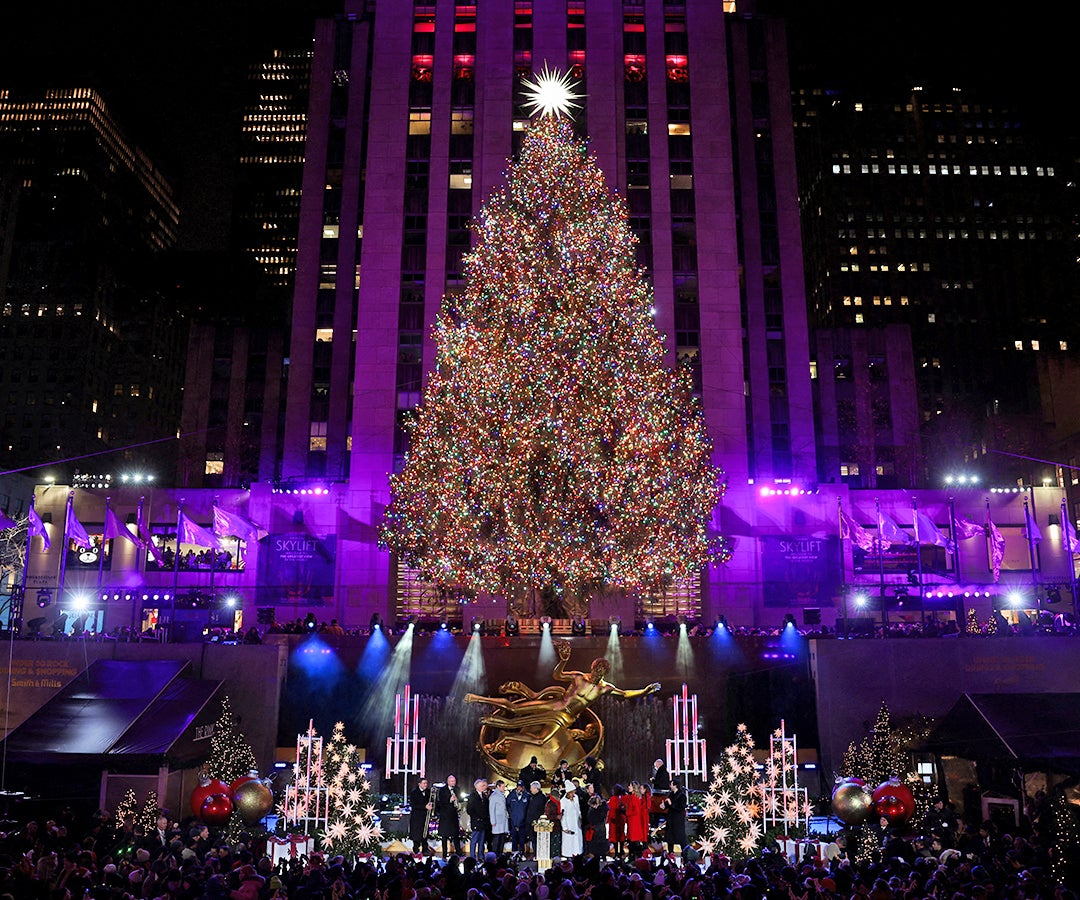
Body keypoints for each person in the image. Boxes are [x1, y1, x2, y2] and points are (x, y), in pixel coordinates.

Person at [465, 640, 661, 751]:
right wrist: (563, 660)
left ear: (605, 674)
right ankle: (477, 698)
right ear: (592, 668)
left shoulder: (605, 688)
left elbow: (625, 694)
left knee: (541, 740)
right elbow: (557, 675)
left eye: (601, 673)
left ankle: (507, 735)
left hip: (566, 717)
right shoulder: (578, 677)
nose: (597, 674)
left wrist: (644, 691)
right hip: (556, 705)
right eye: (596, 670)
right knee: (515, 708)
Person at [436, 775, 463, 858]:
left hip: (454, 816)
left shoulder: (457, 789)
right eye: (452, 781)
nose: (453, 783)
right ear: (448, 781)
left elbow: (461, 800)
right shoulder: (442, 790)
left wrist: (457, 799)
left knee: (456, 835)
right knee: (444, 836)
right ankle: (444, 853)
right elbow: (440, 802)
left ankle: (458, 852)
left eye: (454, 781)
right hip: (445, 816)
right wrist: (449, 800)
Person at [625, 780, 650, 859]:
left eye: (630, 786)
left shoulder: (635, 798)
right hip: (631, 821)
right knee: (632, 840)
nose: (628, 787)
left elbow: (636, 811)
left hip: (634, 822)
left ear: (634, 788)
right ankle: (632, 856)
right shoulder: (631, 797)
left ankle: (635, 857)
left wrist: (627, 813)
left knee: (634, 841)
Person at [409, 777, 434, 854]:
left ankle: (425, 849)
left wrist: (431, 805)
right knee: (416, 834)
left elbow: (431, 800)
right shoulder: (414, 792)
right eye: (424, 783)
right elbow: (413, 805)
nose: (426, 785)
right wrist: (424, 806)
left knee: (424, 833)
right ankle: (416, 849)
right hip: (416, 817)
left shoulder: (428, 791)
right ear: (419, 784)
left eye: (426, 783)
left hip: (425, 816)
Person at [467, 778, 490, 859]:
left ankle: (481, 856)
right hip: (476, 821)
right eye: (481, 786)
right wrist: (477, 817)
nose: (483, 787)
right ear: (476, 786)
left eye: (483, 785)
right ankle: (472, 856)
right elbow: (469, 810)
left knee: (481, 840)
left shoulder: (484, 796)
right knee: (474, 840)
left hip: (483, 822)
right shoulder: (472, 796)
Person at [560, 780, 583, 858]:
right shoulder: (563, 801)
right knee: (569, 842)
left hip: (577, 823)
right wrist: (564, 827)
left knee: (577, 842)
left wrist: (580, 818)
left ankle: (578, 854)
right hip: (568, 823)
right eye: (571, 792)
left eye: (574, 792)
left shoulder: (576, 798)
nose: (573, 794)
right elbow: (562, 815)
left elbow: (578, 809)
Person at [663, 781, 687, 855]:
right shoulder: (671, 795)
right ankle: (670, 854)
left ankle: (685, 853)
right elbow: (667, 805)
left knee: (680, 838)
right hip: (670, 819)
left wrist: (671, 803)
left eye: (671, 784)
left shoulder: (682, 796)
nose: (670, 786)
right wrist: (664, 805)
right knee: (670, 838)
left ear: (675, 785)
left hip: (678, 820)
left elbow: (680, 808)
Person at [525, 780, 547, 857]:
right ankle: (536, 854)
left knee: (539, 840)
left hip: (539, 823)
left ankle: (540, 854)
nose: (530, 789)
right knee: (533, 840)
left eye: (531, 788)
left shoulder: (542, 798)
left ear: (535, 788)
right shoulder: (531, 797)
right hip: (531, 823)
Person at [507, 781, 530, 856]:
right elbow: (507, 806)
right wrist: (511, 815)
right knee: (514, 837)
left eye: (521, 787)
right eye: (518, 786)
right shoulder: (511, 795)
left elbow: (528, 808)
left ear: (523, 787)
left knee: (522, 839)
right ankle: (514, 853)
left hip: (523, 821)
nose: (519, 788)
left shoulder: (527, 796)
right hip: (513, 821)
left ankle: (521, 853)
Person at [607, 784, 629, 859]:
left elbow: (610, 809)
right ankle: (621, 851)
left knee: (614, 836)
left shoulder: (613, 799)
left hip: (614, 820)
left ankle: (617, 852)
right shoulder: (624, 798)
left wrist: (609, 819)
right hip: (621, 819)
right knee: (621, 835)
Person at [488, 780, 509, 855]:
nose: (504, 788)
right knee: (497, 839)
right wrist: (493, 821)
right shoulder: (494, 796)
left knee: (502, 839)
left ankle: (500, 854)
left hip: (503, 820)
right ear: (498, 786)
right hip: (497, 821)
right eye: (502, 787)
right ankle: (495, 854)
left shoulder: (502, 795)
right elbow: (491, 809)